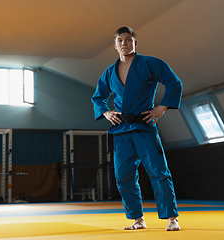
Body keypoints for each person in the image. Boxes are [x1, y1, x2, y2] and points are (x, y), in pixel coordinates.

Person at [92, 26, 182, 231]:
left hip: (144, 127)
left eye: (128, 39)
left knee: (159, 172)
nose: (124, 43)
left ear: (135, 43)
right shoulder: (109, 73)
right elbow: (98, 97)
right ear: (115, 45)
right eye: (120, 41)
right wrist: (106, 112)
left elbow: (173, 83)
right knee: (123, 176)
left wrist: (161, 108)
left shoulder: (150, 63)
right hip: (122, 130)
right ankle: (137, 219)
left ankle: (171, 218)